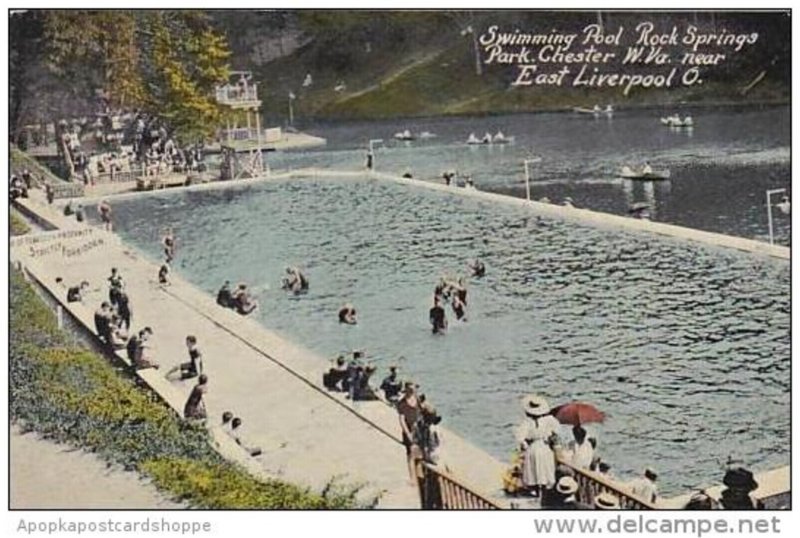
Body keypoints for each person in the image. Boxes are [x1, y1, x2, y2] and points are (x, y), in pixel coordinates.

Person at [516, 395, 559, 497]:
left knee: (533, 470)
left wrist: (525, 445)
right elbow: (556, 432)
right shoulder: (549, 420)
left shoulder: (527, 423)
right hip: (544, 447)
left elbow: (520, 438)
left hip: (534, 447)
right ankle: (544, 490)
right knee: (544, 470)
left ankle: (535, 490)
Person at [396, 382, 423, 482]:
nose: (412, 391)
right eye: (410, 389)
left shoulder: (418, 400)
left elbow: (421, 413)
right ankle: (412, 478)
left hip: (418, 430)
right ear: (406, 390)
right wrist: (408, 434)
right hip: (409, 430)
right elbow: (402, 420)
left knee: (419, 453)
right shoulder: (402, 403)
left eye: (414, 389)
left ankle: (419, 474)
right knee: (411, 454)